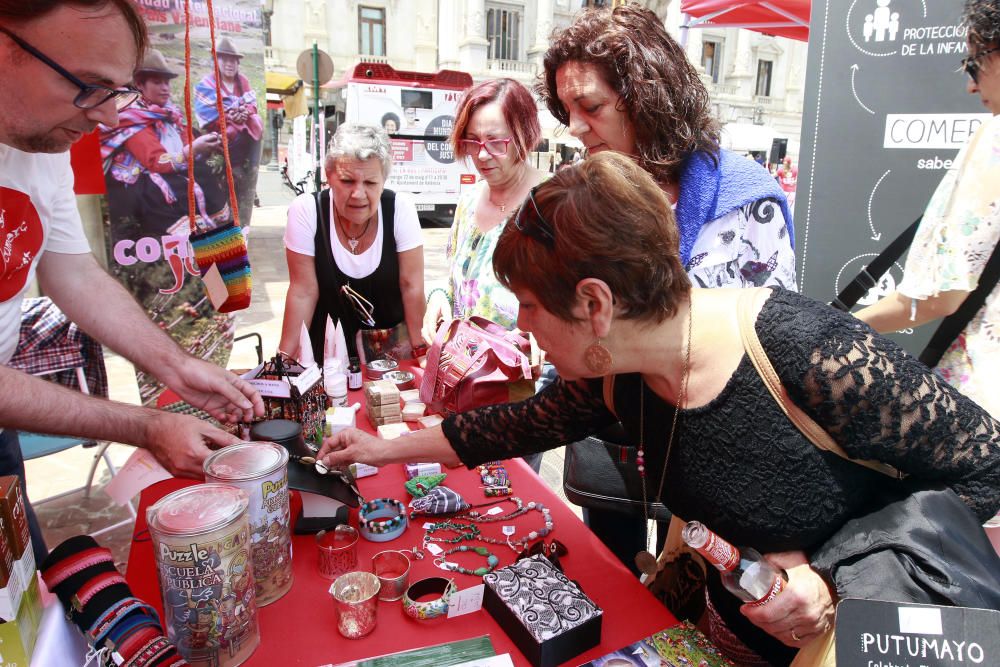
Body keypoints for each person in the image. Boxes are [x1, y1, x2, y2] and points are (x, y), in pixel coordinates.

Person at [320, 152, 1000, 665]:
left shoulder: (806, 350)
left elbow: (987, 466)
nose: (522, 325)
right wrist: (379, 449)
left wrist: (831, 573)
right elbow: (506, 427)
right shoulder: (624, 373)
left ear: (594, 304)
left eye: (529, 305)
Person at [0, 0, 264, 564]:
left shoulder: (43, 144)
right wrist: (145, 425)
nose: (110, 118)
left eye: (118, 92)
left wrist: (177, 367)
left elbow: (72, 271)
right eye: (90, 86)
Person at [537, 3, 796, 573]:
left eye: (592, 106)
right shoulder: (586, 193)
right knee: (615, 581)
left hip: (715, 468)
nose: (575, 126)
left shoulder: (741, 199)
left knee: (691, 606)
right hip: (608, 445)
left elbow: (769, 355)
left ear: (647, 97)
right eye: (567, 109)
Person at [856, 0, 1000, 418]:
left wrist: (834, 331)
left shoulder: (994, 139)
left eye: (974, 65)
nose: (971, 86)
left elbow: (941, 295)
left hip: (983, 408)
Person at [421, 78, 546, 472]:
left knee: (509, 496)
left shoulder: (551, 204)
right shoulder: (468, 199)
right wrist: (439, 297)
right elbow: (454, 275)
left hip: (518, 391)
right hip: (460, 381)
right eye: (472, 141)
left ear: (525, 134)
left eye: (496, 141)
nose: (482, 154)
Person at [280, 123, 425, 364]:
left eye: (370, 183)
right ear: (329, 177)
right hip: (325, 356)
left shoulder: (401, 208)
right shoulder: (306, 210)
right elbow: (302, 292)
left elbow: (412, 286)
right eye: (347, 181)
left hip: (390, 356)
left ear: (383, 181)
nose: (358, 194)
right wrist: (283, 362)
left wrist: (420, 350)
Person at [100, 49, 231, 235]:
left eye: (166, 82)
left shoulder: (167, 112)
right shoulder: (134, 120)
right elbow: (155, 161)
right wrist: (191, 151)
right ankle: (185, 240)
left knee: (202, 174)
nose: (165, 88)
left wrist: (205, 145)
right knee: (166, 188)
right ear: (139, 85)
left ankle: (212, 232)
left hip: (173, 165)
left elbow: (186, 140)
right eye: (157, 82)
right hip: (146, 175)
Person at [194, 37, 263, 222]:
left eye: (233, 60)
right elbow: (206, 113)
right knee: (233, 136)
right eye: (225, 59)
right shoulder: (207, 84)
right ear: (217, 61)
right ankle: (234, 172)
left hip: (242, 128)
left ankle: (246, 171)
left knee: (255, 123)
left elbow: (251, 104)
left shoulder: (243, 81)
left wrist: (243, 113)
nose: (229, 64)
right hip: (220, 132)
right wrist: (229, 117)